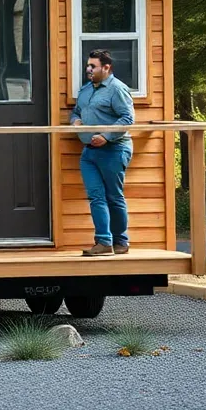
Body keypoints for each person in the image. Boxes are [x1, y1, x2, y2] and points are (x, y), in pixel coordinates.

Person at [70, 49, 135, 256]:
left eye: (93, 66)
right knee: (96, 197)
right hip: (89, 152)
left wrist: (106, 136)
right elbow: (76, 111)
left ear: (106, 68)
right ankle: (104, 242)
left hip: (114, 149)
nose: (88, 69)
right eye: (88, 66)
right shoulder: (86, 90)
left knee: (113, 196)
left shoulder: (117, 89)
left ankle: (121, 242)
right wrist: (76, 121)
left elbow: (127, 118)